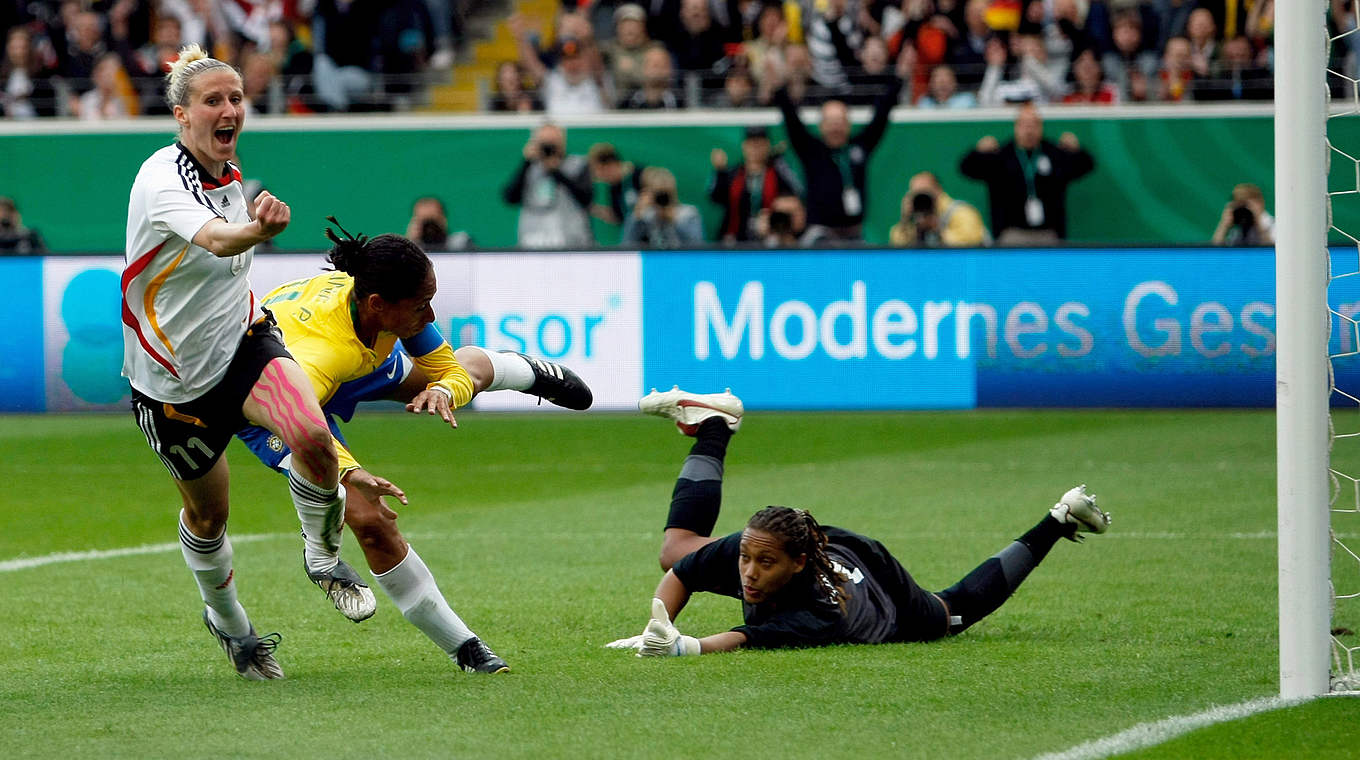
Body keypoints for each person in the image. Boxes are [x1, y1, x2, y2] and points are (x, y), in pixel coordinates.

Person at [235, 223, 595, 673]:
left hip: (353, 361)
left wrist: (446, 392)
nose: (429, 315)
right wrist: (350, 473)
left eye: (430, 300)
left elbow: (448, 369)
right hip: (268, 401)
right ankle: (465, 648)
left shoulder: (381, 296)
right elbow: (306, 434)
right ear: (377, 306)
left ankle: (521, 370)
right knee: (369, 519)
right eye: (421, 306)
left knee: (447, 375)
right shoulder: (320, 355)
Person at [123, 45, 363, 680]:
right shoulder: (161, 179)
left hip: (244, 345)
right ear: (181, 115)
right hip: (173, 386)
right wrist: (258, 232)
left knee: (313, 435)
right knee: (209, 515)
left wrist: (252, 225)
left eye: (235, 99)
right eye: (213, 101)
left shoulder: (228, 173)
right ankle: (232, 627)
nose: (229, 110)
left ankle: (320, 554)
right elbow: (213, 238)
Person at [605, 388, 1111, 656]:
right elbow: (683, 572)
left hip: (881, 584)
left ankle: (1059, 516)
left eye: (763, 563)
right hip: (823, 544)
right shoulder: (757, 545)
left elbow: (740, 639)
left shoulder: (822, 615)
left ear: (797, 563)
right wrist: (657, 625)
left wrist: (682, 648)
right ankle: (715, 425)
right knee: (678, 550)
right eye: (746, 559)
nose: (748, 572)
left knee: (951, 614)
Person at [774, 57, 906, 242]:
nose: (836, 127)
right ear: (821, 125)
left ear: (848, 124)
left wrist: (899, 78)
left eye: (840, 121)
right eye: (831, 122)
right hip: (820, 234)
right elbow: (791, 120)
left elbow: (880, 118)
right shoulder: (810, 150)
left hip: (854, 234)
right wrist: (780, 84)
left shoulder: (859, 147)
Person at [959, 102, 1094, 244]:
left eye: (1034, 124)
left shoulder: (1054, 153)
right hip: (1011, 233)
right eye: (1024, 125)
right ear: (1016, 127)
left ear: (1041, 127)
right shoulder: (1001, 155)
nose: (1029, 130)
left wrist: (1077, 150)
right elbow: (965, 169)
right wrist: (977, 152)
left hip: (1048, 233)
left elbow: (1087, 165)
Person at [502, 123, 595, 249]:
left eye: (553, 143)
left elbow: (586, 199)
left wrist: (556, 171)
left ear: (563, 143)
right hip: (533, 241)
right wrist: (525, 162)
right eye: (544, 143)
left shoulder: (578, 165)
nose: (549, 148)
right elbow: (510, 198)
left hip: (572, 243)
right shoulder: (529, 168)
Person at [707, 126, 804, 244]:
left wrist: (779, 160)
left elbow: (797, 192)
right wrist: (720, 172)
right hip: (736, 237)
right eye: (752, 144)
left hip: (770, 236)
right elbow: (715, 197)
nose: (755, 149)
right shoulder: (733, 174)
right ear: (744, 146)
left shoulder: (778, 172)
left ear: (768, 145)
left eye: (760, 144)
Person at [888, 171, 989, 247]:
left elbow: (971, 243)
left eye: (924, 193)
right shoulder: (917, 219)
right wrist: (905, 220)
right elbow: (897, 244)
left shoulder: (961, 212)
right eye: (916, 194)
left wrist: (937, 230)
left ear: (937, 190)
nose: (921, 199)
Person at [622, 166, 705, 248]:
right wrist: (637, 215)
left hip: (681, 259)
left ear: (673, 193)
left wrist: (674, 220)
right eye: (658, 194)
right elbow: (627, 246)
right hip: (653, 260)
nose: (662, 199)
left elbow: (697, 245)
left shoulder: (689, 214)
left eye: (665, 194)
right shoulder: (646, 216)